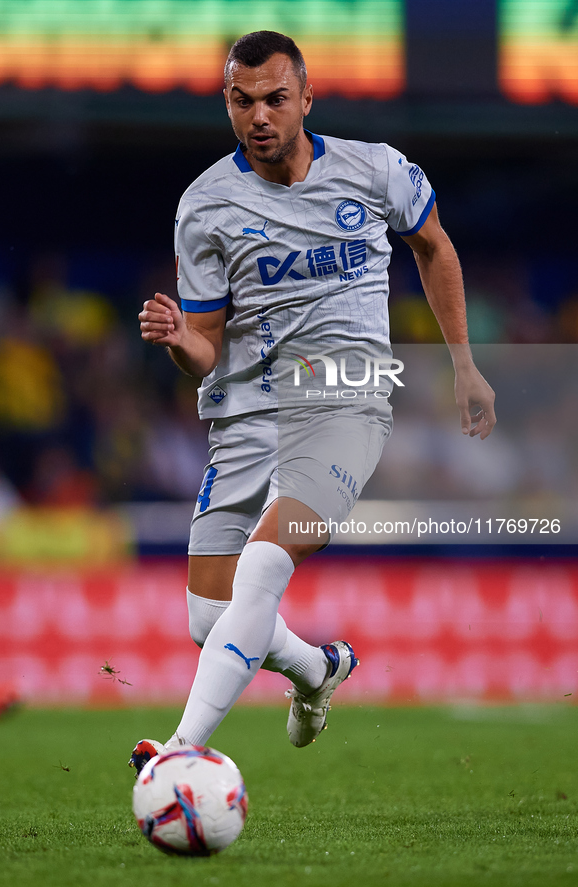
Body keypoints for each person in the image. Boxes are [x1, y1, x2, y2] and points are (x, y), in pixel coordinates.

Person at [130, 31, 496, 773]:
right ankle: (316, 668)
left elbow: (434, 246)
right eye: (241, 101)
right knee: (209, 617)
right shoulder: (204, 205)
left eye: (273, 99)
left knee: (262, 568)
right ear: (227, 103)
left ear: (304, 98)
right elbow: (204, 344)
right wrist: (175, 338)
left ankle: (179, 753)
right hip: (244, 417)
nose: (258, 115)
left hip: (343, 405)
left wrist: (464, 364)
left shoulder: (374, 169)